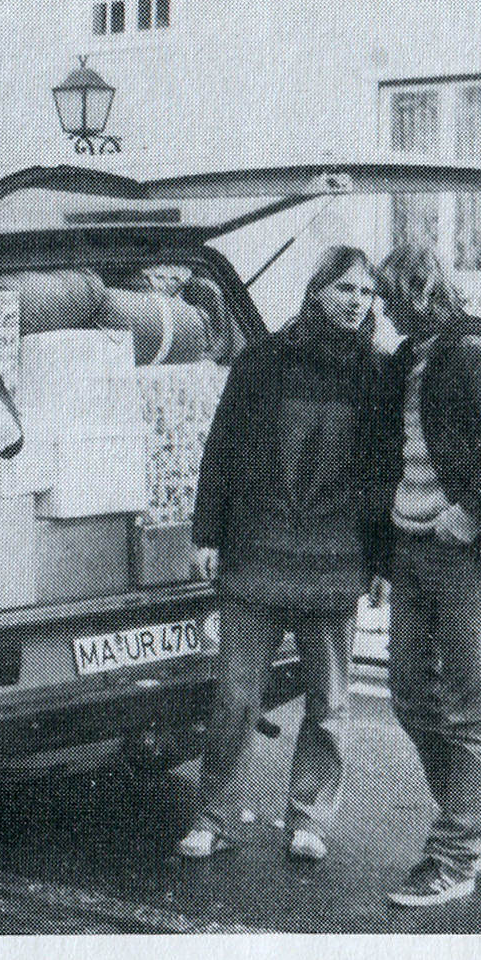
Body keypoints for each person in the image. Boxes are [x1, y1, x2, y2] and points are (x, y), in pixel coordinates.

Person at [177, 246, 384, 863]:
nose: (357, 302)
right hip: (256, 551)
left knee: (330, 701)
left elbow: (381, 474)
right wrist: (205, 536)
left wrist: (379, 564)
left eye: (367, 293)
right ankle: (213, 814)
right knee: (237, 697)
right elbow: (223, 449)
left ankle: (309, 818)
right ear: (316, 290)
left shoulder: (377, 372)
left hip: (336, 555)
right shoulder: (264, 361)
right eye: (345, 288)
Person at [371, 244, 481, 907]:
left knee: (468, 705)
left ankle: (454, 856)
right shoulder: (408, 361)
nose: (383, 313)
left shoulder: (470, 354)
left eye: (390, 300)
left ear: (419, 294)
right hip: (411, 545)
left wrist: (472, 514)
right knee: (412, 695)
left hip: (461, 553)